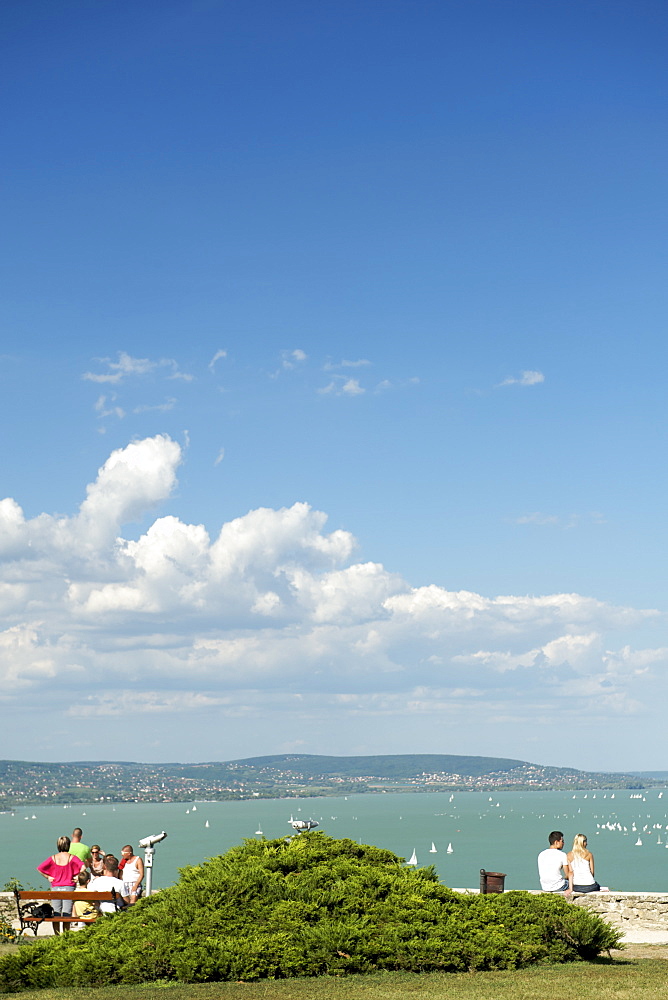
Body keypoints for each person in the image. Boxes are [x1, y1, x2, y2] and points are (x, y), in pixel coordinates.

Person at [36, 835, 84, 934]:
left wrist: (48, 877)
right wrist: (77, 876)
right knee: (67, 913)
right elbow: (83, 867)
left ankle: (57, 935)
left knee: (56, 913)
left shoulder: (53, 858)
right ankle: (66, 935)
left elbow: (40, 868)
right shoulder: (72, 858)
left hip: (56, 887)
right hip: (69, 887)